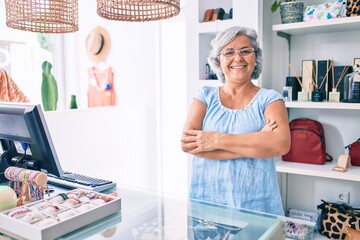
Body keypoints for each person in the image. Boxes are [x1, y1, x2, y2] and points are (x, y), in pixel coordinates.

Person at [181, 26, 291, 216]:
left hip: (257, 205)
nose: (238, 58)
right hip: (208, 203)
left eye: (245, 51)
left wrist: (215, 140)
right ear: (218, 60)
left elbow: (281, 145)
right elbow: (188, 144)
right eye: (229, 52)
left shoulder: (271, 99)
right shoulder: (204, 96)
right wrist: (256, 144)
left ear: (255, 57)